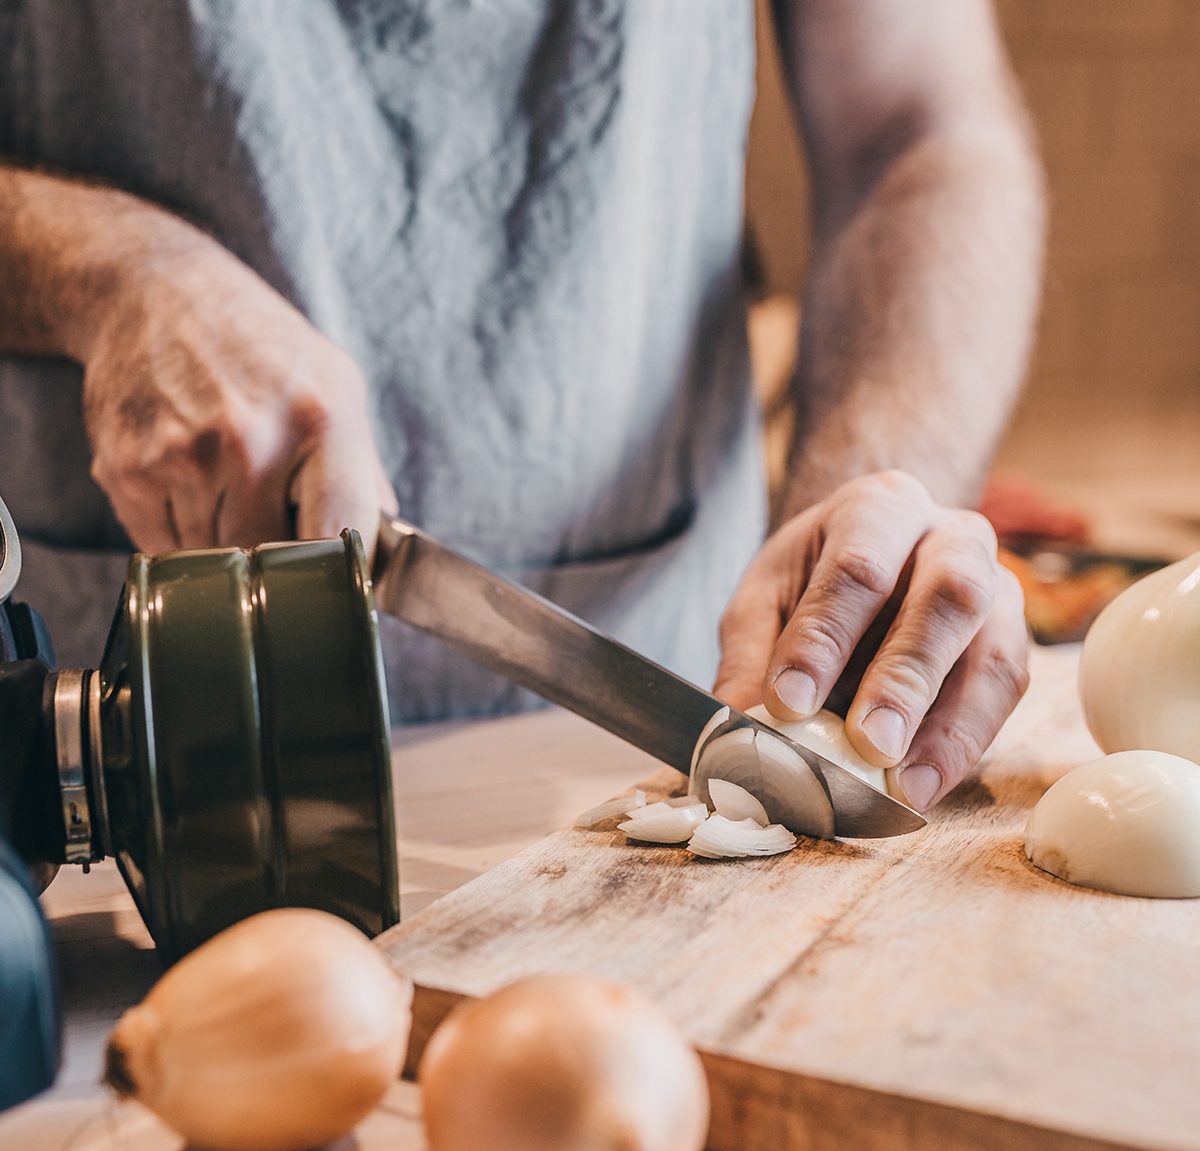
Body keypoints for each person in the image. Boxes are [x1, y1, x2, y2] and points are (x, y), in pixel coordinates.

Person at [0, 0, 1044, 813]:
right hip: (106, 775)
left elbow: (917, 128)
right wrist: (101, 268)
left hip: (667, 727)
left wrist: (862, 529)